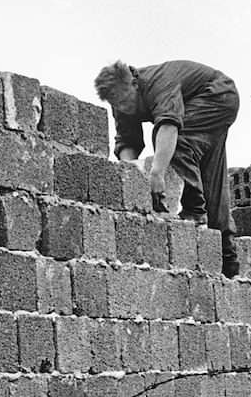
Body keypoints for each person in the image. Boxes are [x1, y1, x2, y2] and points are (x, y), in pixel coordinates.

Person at [94, 59, 241, 277]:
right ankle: (229, 262)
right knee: (211, 178)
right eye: (117, 105)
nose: (124, 108)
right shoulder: (120, 102)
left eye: (126, 101)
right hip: (208, 103)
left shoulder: (158, 83)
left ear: (134, 84)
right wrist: (130, 178)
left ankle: (194, 211)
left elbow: (169, 126)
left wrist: (157, 173)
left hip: (218, 94)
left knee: (176, 141)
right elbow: (128, 143)